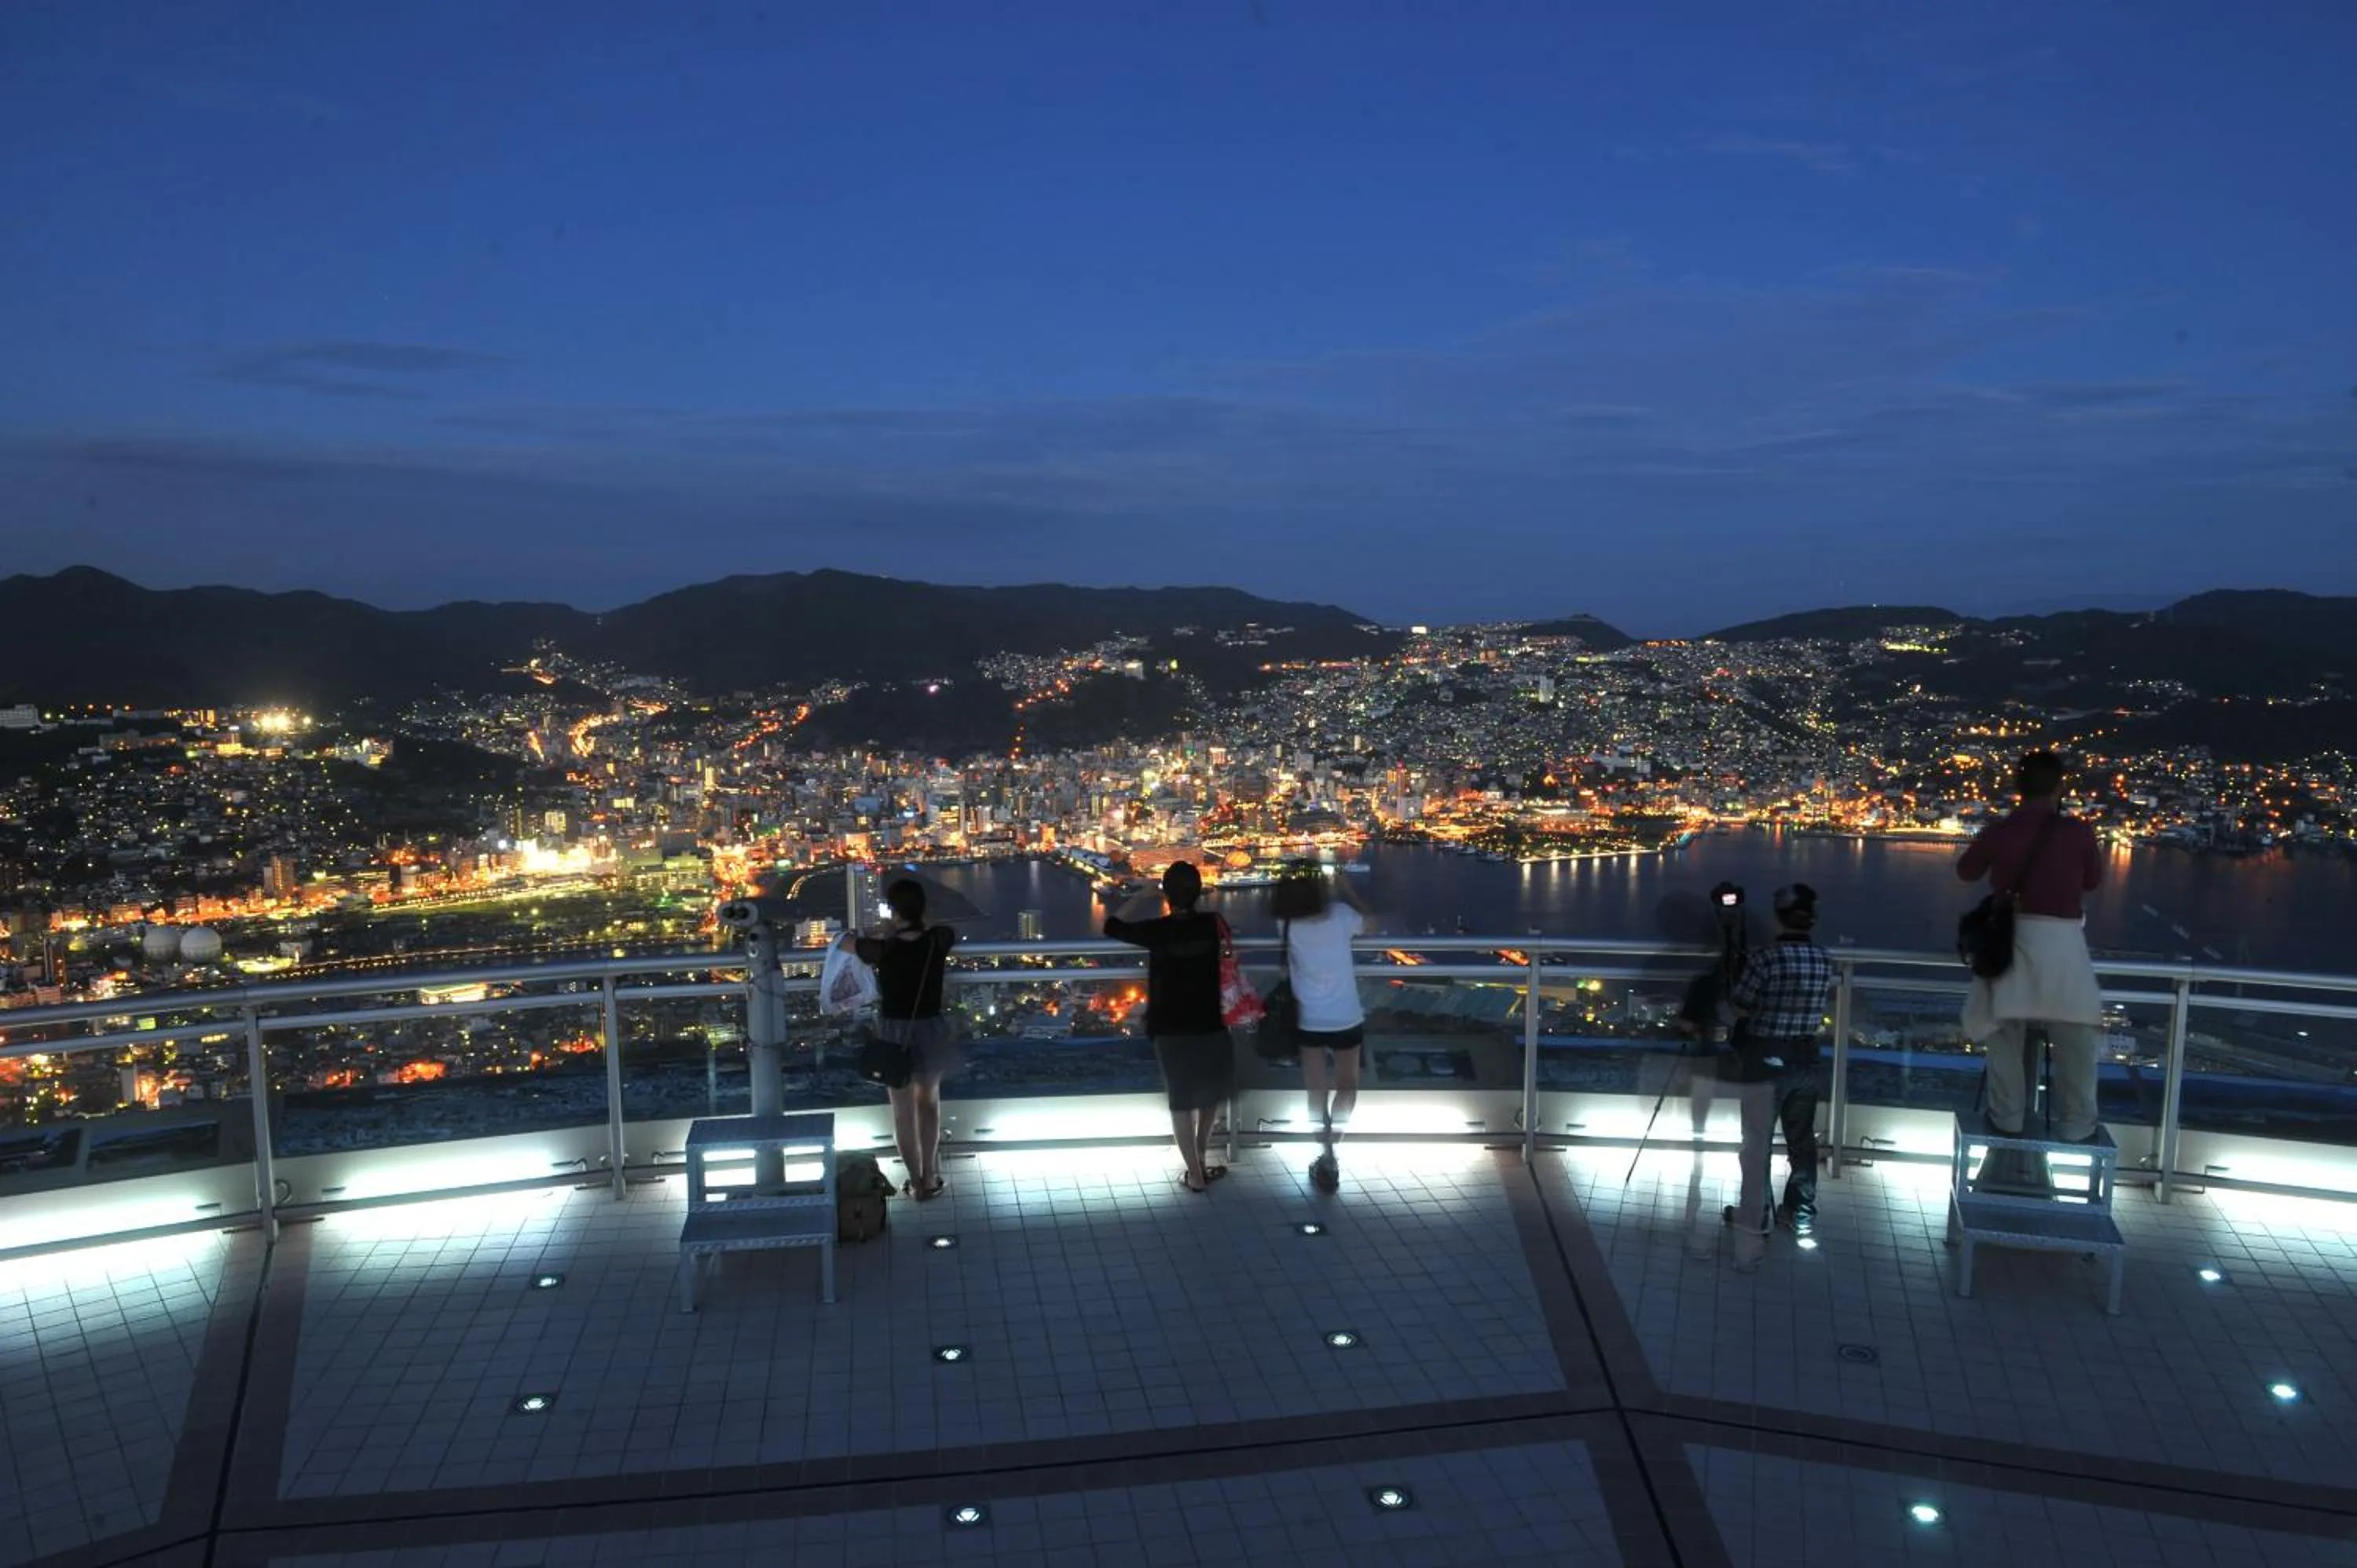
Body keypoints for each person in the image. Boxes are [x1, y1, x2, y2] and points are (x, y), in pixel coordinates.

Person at [1956, 750, 2106, 1144]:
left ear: (2018, 788)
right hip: (2063, 942)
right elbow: (2093, 881)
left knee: (2004, 1029)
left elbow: (1966, 871)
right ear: (2060, 787)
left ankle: (2007, 1118)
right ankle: (2077, 1123)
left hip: (2012, 937)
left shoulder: (2002, 830)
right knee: (2075, 1034)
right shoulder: (2077, 832)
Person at [1715, 885, 1836, 1270]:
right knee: (1801, 1141)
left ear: (1778, 917)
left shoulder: (1766, 958)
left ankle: (1757, 1216)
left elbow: (1741, 1004)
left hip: (1766, 1059)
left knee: (1757, 1143)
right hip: (1807, 1058)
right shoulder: (1824, 959)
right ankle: (1800, 1215)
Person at [1105, 862, 1235, 1193]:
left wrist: (1143, 894)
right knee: (1209, 1096)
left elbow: (1112, 926)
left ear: (1167, 894)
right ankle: (1201, 1157)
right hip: (1210, 1021)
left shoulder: (1158, 930)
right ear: (1199, 891)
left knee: (1181, 1101)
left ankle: (1195, 1174)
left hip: (1170, 1026)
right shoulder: (1213, 923)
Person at [841, 878, 959, 1200]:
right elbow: (946, 931)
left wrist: (883, 932)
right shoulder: (938, 940)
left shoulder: (883, 949)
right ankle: (931, 1175)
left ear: (893, 911)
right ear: (922, 909)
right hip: (931, 1028)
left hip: (894, 1033)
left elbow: (845, 944)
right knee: (929, 1104)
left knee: (903, 1111)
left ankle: (915, 1180)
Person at [1270, 864, 1368, 1192]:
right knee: (1347, 1086)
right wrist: (1346, 889)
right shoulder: (1341, 915)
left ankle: (1325, 1153)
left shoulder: (1286, 923)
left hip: (1308, 1018)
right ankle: (1332, 1149)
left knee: (1316, 1090)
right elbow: (1371, 922)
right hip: (1346, 1015)